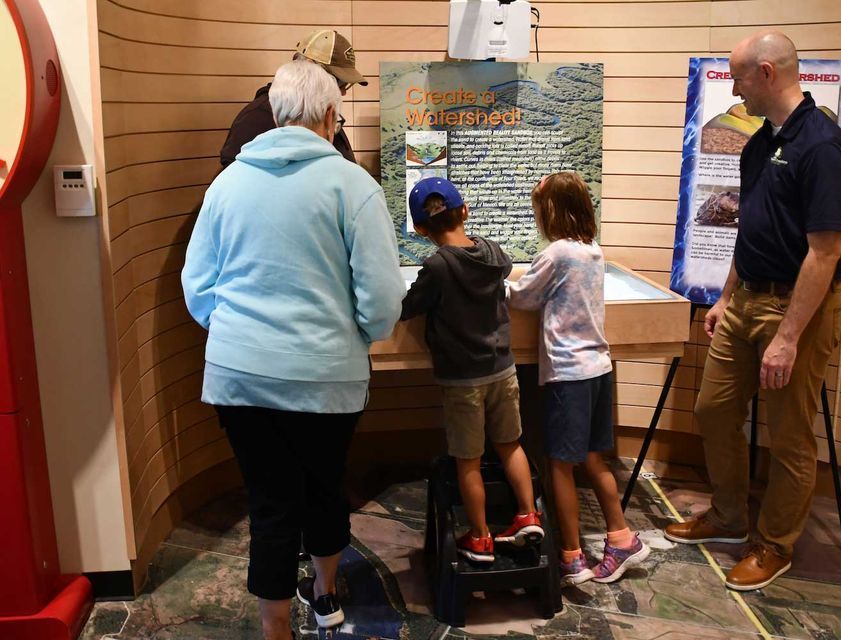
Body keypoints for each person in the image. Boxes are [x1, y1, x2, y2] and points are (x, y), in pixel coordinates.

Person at [181, 60, 404, 638]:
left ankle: (274, 626)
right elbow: (381, 300)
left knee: (270, 503)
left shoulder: (227, 183)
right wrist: (354, 332)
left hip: (240, 376)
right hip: (326, 376)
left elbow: (197, 287)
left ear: (276, 113)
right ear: (331, 116)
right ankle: (326, 596)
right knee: (324, 488)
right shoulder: (355, 187)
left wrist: (237, 334)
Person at [663, 31, 841, 591]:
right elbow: (749, 226)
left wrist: (789, 336)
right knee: (714, 410)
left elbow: (826, 252)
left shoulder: (821, 147)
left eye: (740, 77)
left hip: (796, 308)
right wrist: (726, 296)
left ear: (767, 74)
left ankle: (774, 544)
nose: (735, 88)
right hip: (746, 296)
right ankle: (727, 517)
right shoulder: (758, 142)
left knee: (790, 435)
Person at [508, 171, 649, 585]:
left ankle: (570, 553)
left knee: (559, 464)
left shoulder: (557, 254)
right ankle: (621, 537)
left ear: (550, 210)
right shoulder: (592, 250)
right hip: (598, 368)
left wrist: (487, 283)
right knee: (592, 458)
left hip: (568, 373)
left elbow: (523, 298)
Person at [400, 177, 544, 563]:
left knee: (468, 459)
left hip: (463, 380)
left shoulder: (437, 266)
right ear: (465, 211)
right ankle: (528, 515)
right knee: (510, 444)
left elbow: (408, 306)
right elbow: (506, 267)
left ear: (419, 229)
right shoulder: (492, 252)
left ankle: (480, 537)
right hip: (503, 370)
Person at [219, 29, 366, 168]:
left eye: (346, 84)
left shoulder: (323, 113)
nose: (343, 92)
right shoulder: (255, 118)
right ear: (307, 68)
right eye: (339, 81)